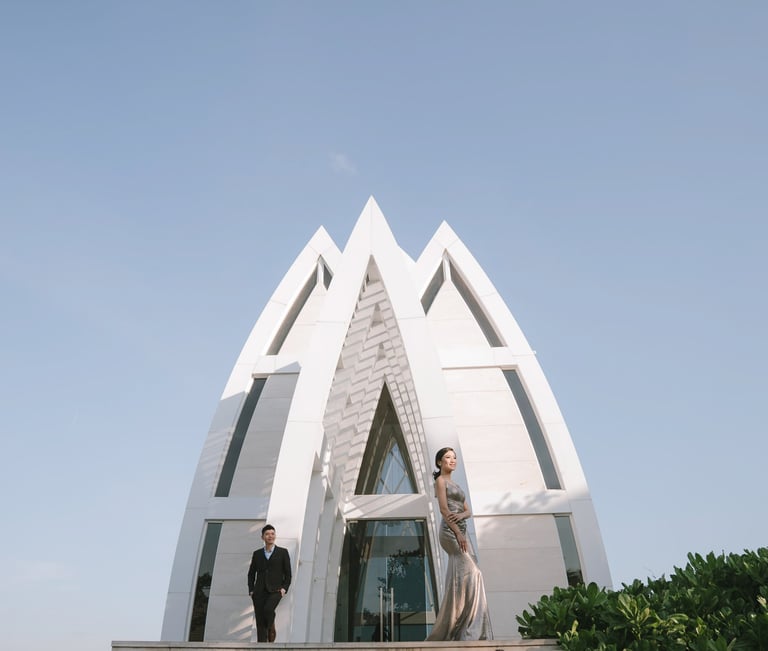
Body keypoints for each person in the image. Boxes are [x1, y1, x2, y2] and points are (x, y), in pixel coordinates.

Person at [426, 447, 493, 641]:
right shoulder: (440, 481)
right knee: (474, 573)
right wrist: (458, 533)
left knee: (464, 576)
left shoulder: (456, 484)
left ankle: (461, 628)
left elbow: (467, 511)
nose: (452, 460)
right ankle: (471, 629)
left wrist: (462, 518)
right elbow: (444, 510)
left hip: (461, 530)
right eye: (448, 457)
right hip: (450, 531)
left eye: (454, 457)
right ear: (439, 462)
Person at [247, 524, 292, 643]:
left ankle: (271, 628)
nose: (270, 536)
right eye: (267, 534)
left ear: (275, 536)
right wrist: (251, 590)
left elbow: (288, 573)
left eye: (272, 534)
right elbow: (251, 573)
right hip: (259, 591)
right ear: (262, 537)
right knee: (260, 622)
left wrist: (284, 588)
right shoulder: (257, 554)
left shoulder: (283, 552)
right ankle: (262, 645)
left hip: (276, 590)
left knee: (268, 610)